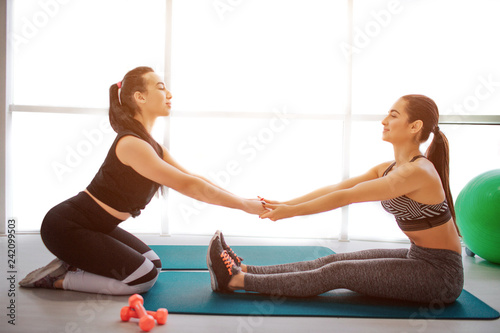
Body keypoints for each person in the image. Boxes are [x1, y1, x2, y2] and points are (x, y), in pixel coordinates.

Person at [20, 66, 266, 295]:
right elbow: (190, 187)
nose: (169, 93)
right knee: (143, 277)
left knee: (154, 263)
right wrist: (244, 207)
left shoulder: (151, 146)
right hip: (64, 228)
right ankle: (59, 279)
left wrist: (244, 200)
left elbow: (193, 178)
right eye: (160, 87)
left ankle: (75, 260)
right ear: (140, 97)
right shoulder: (132, 144)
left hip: (95, 227)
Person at [207, 94, 464, 304]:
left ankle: (234, 281)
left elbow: (347, 196)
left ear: (415, 126)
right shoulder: (390, 167)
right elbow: (337, 188)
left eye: (393, 115)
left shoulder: (418, 172)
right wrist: (285, 204)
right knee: (331, 260)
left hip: (441, 275)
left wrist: (291, 212)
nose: (384, 120)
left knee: (336, 273)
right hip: (417, 256)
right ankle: (248, 270)